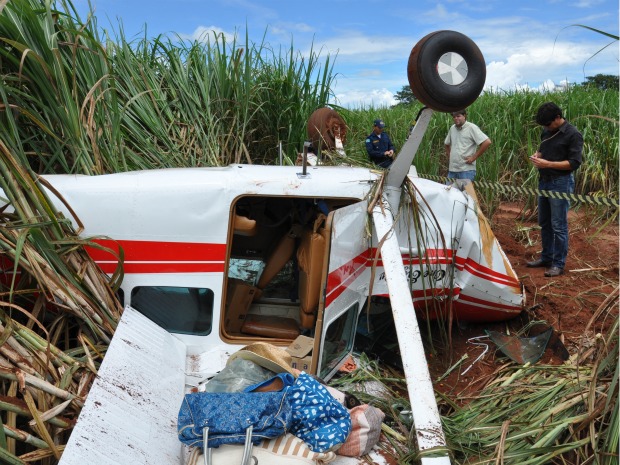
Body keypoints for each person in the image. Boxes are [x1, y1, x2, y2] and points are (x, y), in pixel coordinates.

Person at [527, 102, 583, 278]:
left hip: (561, 183)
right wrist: (538, 156)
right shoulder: (547, 131)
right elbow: (543, 149)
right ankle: (546, 257)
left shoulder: (573, 134)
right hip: (544, 181)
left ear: (558, 118)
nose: (546, 128)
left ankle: (558, 264)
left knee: (558, 226)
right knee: (544, 222)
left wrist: (547, 164)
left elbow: (574, 163)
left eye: (549, 124)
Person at [444, 109, 491, 183]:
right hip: (452, 170)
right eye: (454, 117)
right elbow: (446, 144)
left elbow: (487, 142)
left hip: (466, 170)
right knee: (447, 192)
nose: (456, 118)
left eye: (458, 116)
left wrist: (474, 157)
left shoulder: (471, 127)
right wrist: (450, 156)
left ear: (464, 116)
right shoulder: (452, 128)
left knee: (466, 194)